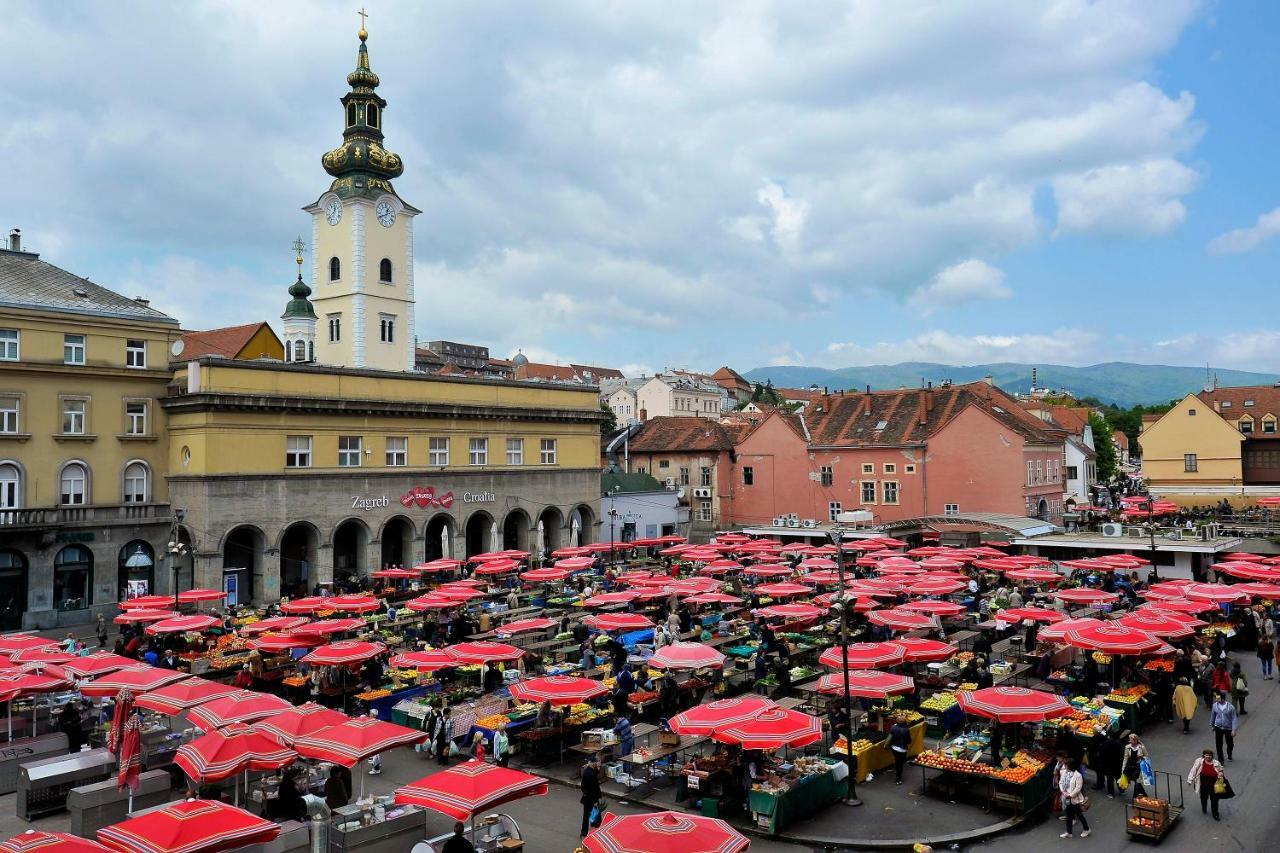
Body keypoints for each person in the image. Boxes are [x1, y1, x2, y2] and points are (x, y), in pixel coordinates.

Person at [1187, 749, 1225, 821]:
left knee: (1214, 800)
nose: (1208, 757)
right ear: (1204, 755)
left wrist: (1220, 774)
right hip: (1203, 785)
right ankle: (1204, 807)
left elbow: (1221, 770)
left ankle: (1215, 814)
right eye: (1206, 755)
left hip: (1214, 786)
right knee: (1203, 798)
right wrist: (1190, 780)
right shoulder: (1199, 761)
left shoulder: (1216, 763)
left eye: (1210, 755)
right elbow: (1193, 770)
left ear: (1212, 756)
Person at [1058, 758, 1091, 838]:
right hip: (1066, 798)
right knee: (1068, 815)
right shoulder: (1064, 773)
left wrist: (1070, 795)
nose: (1064, 766)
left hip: (1075, 799)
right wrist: (1063, 791)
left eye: (1066, 765)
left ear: (1070, 765)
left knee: (1079, 815)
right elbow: (1061, 782)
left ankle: (1086, 829)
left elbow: (1078, 788)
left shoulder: (1078, 775)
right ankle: (1069, 832)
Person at [1210, 691, 1238, 763]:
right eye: (1216, 698)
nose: (1216, 700)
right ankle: (1221, 760)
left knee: (1230, 743)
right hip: (1218, 727)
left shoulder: (1231, 707)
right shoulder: (1215, 706)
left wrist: (1233, 730)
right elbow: (1213, 716)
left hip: (1228, 728)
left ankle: (1229, 754)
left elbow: (1234, 718)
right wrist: (1212, 725)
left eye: (1218, 698)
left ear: (1223, 699)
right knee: (1218, 744)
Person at [579, 752, 602, 837]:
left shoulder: (587, 771)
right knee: (596, 817)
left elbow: (583, 787)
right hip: (592, 799)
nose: (597, 763)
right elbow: (594, 790)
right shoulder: (591, 775)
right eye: (596, 762)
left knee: (586, 816)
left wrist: (598, 768)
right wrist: (595, 801)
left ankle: (584, 832)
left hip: (586, 799)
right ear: (593, 763)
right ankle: (596, 832)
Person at [1122, 734, 1148, 799]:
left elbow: (1146, 756)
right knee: (1136, 782)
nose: (1130, 741)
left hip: (1139, 767)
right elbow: (1126, 758)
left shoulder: (1141, 747)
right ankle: (1144, 794)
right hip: (1130, 767)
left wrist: (1141, 758)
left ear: (1135, 740)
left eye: (1131, 739)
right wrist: (1123, 768)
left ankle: (1134, 798)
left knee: (1137, 782)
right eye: (1129, 739)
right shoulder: (1127, 747)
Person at [888, 718, 911, 785]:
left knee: (897, 762)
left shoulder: (893, 727)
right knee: (900, 764)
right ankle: (898, 779)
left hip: (894, 748)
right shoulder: (906, 730)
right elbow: (909, 741)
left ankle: (898, 777)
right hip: (902, 749)